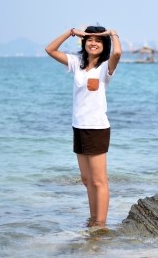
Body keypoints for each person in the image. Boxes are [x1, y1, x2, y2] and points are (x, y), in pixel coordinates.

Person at [45, 26, 122, 228]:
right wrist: (71, 32)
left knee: (99, 181)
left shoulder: (106, 67)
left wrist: (112, 34)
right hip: (78, 126)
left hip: (96, 128)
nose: (93, 43)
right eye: (89, 39)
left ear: (103, 44)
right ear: (84, 42)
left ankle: (101, 224)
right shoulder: (77, 63)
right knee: (87, 180)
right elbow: (50, 50)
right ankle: (92, 220)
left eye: (98, 40)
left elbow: (118, 52)